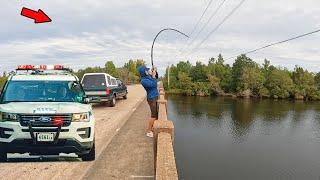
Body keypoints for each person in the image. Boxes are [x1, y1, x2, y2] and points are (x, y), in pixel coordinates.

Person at [139, 65, 159, 138]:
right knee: (153, 116)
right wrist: (153, 76)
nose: (148, 71)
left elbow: (156, 78)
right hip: (151, 98)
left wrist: (155, 72)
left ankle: (153, 127)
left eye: (148, 70)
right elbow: (153, 85)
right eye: (146, 70)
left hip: (155, 97)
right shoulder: (143, 81)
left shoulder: (149, 76)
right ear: (143, 72)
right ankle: (149, 131)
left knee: (156, 114)